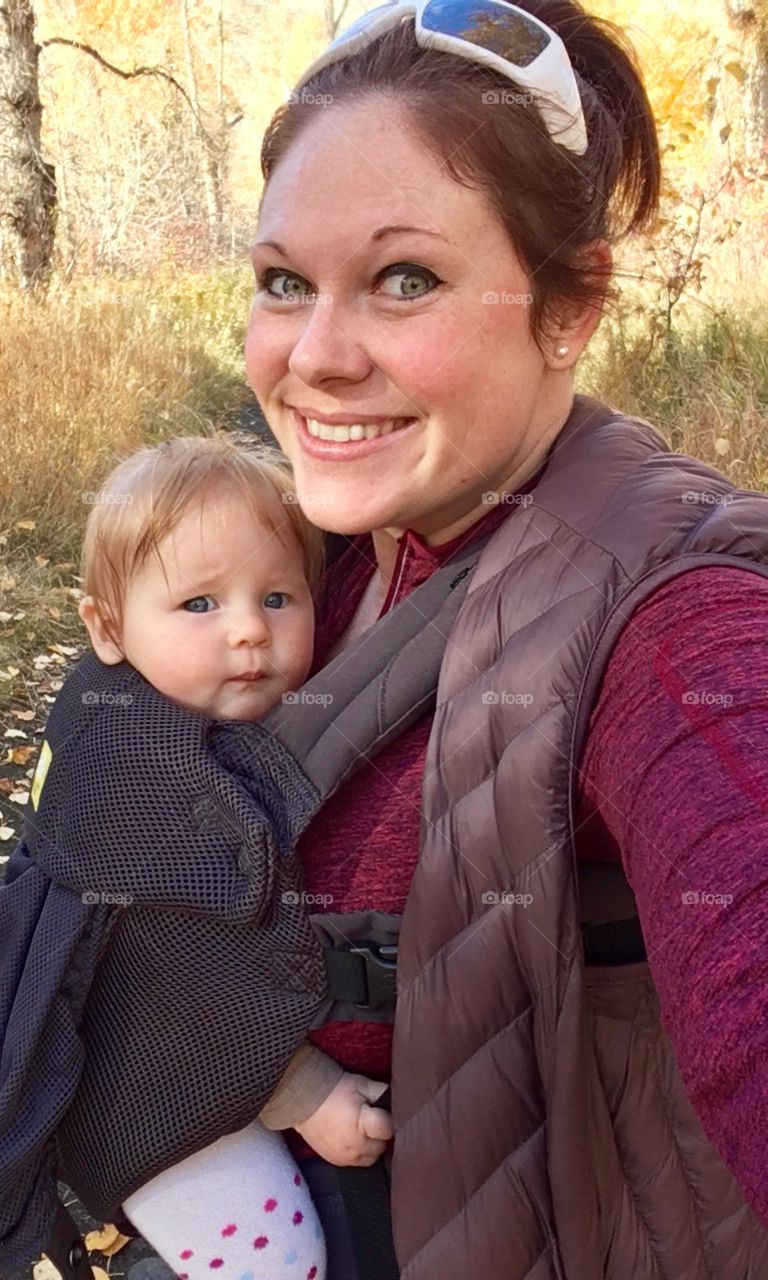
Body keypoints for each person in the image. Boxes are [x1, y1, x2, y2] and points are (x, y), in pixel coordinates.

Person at [239, 1, 768, 1277]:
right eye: (282, 283)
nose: (313, 357)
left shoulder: (671, 609)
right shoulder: (301, 551)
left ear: (570, 306)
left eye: (403, 278)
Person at [69, 433, 394, 1280]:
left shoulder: (175, 719)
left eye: (280, 597)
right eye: (200, 606)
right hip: (156, 1098)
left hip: (185, 1082)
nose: (250, 631)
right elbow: (184, 974)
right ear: (107, 628)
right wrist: (307, 1093)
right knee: (281, 1260)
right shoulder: (143, 781)